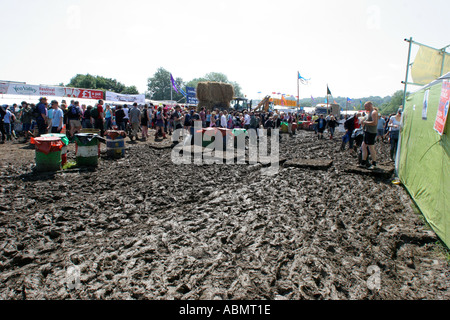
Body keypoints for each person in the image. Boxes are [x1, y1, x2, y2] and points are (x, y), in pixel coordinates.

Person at [359, 101, 379, 169]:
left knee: (371, 148)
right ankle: (363, 162)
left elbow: (374, 123)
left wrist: (365, 122)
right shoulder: (368, 113)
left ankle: (374, 163)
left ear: (370, 106)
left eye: (366, 106)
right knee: (363, 146)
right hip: (367, 131)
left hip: (371, 132)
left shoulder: (374, 112)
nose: (365, 108)